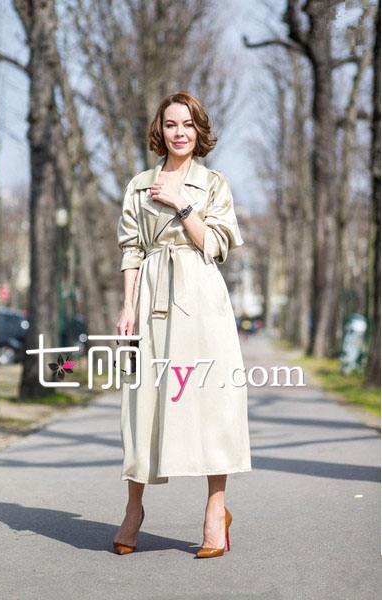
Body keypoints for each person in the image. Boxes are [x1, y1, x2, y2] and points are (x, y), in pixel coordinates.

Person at [114, 91, 251, 558]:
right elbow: (131, 248)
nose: (180, 132)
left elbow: (216, 245)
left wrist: (181, 203)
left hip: (202, 297)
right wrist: (128, 305)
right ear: (161, 130)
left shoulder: (214, 183)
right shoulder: (139, 184)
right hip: (151, 296)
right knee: (143, 400)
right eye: (171, 124)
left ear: (199, 131)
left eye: (188, 124)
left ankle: (216, 511)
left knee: (212, 400)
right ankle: (134, 509)